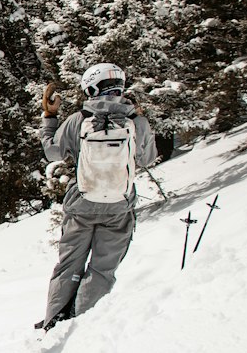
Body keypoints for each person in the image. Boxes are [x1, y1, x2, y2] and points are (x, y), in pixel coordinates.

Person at [38, 62, 160, 329]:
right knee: (102, 270)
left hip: (82, 203)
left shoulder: (79, 120)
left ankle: (54, 321)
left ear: (91, 87)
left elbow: (53, 152)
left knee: (69, 264)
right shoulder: (136, 121)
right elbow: (148, 158)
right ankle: (82, 323)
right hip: (119, 206)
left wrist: (49, 118)